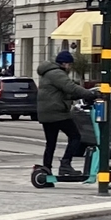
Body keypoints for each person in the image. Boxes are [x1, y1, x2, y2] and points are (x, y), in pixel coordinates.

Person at [36, 46, 92, 178]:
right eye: (69, 64)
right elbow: (70, 87)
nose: (70, 67)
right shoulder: (57, 74)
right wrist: (90, 94)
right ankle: (65, 164)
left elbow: (61, 93)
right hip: (57, 113)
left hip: (46, 113)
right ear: (64, 63)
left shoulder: (48, 73)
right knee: (76, 137)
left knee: (51, 143)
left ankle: (46, 168)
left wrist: (78, 96)